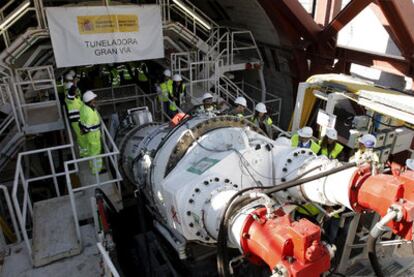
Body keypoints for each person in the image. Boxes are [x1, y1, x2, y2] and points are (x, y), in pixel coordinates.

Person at [79, 91, 104, 174]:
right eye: (93, 99)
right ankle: (96, 171)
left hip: (89, 136)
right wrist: (84, 130)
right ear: (90, 101)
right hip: (94, 135)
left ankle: (92, 166)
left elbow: (81, 122)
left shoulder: (83, 107)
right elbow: (88, 127)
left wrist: (83, 130)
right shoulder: (89, 112)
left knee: (91, 151)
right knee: (96, 153)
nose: (95, 100)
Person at [65, 85, 87, 157]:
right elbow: (70, 94)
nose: (78, 92)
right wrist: (74, 86)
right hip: (76, 122)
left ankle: (85, 152)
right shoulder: (69, 99)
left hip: (81, 121)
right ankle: (84, 153)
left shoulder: (78, 99)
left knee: (84, 136)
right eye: (76, 91)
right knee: (81, 137)